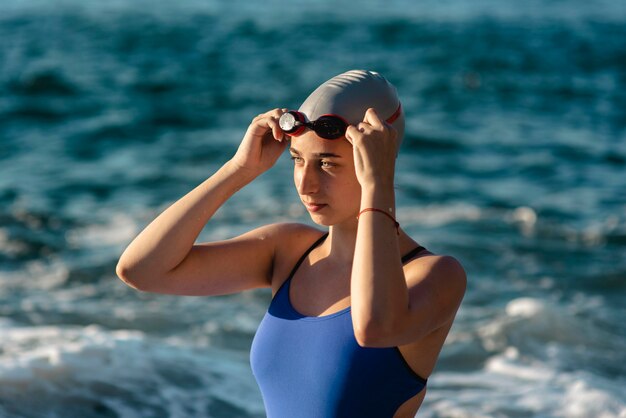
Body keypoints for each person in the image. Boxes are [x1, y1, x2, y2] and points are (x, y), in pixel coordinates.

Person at [116, 70, 467, 418]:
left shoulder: (435, 275)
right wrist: (239, 169)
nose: (306, 184)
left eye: (327, 163)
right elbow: (142, 271)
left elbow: (375, 326)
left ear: (377, 160)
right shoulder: (289, 251)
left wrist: (378, 186)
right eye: (297, 160)